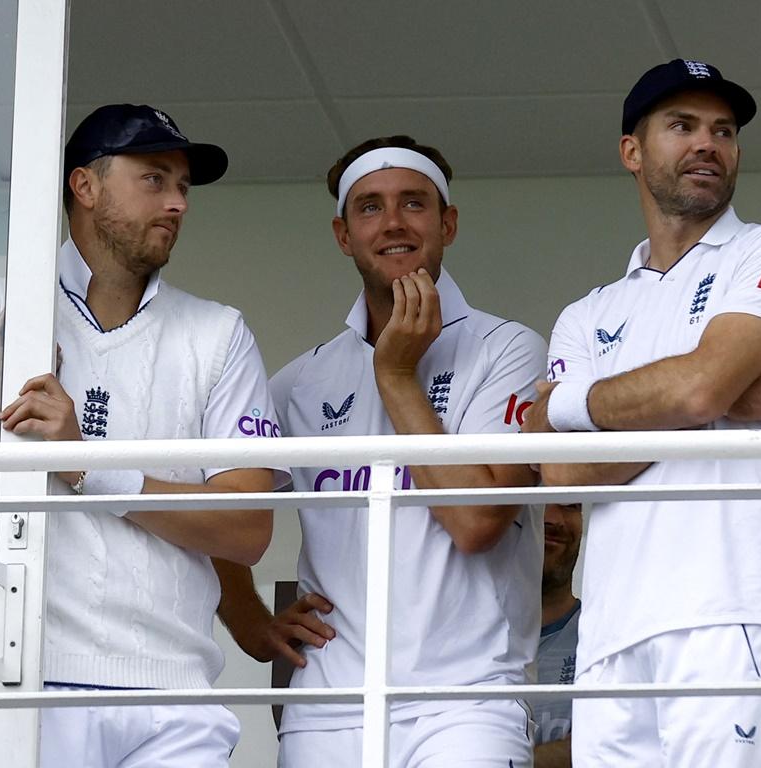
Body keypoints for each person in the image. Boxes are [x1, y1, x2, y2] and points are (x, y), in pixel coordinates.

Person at [0, 104, 284, 767]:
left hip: (174, 696)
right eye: (155, 179)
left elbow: (248, 526)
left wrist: (88, 466)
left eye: (183, 187)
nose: (177, 203)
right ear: (85, 187)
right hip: (17, 682)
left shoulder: (217, 333)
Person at [522, 60, 761, 767]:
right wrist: (720, 399)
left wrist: (570, 405)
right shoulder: (588, 313)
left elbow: (698, 386)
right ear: (632, 151)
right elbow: (563, 471)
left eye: (723, 131)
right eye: (682, 126)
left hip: (732, 608)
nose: (708, 144)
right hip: (612, 633)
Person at [215, 135, 547, 767]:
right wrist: (248, 618)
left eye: (414, 203)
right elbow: (222, 505)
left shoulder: (507, 349)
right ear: (343, 234)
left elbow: (477, 522)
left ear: (447, 223)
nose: (393, 222)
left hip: (467, 700)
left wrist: (396, 377)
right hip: (328, 709)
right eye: (370, 207)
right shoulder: (300, 382)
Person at [530, 501, 582, 768]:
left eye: (571, 505)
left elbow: (609, 746)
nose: (554, 518)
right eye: (537, 503)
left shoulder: (604, 634)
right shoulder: (459, 641)